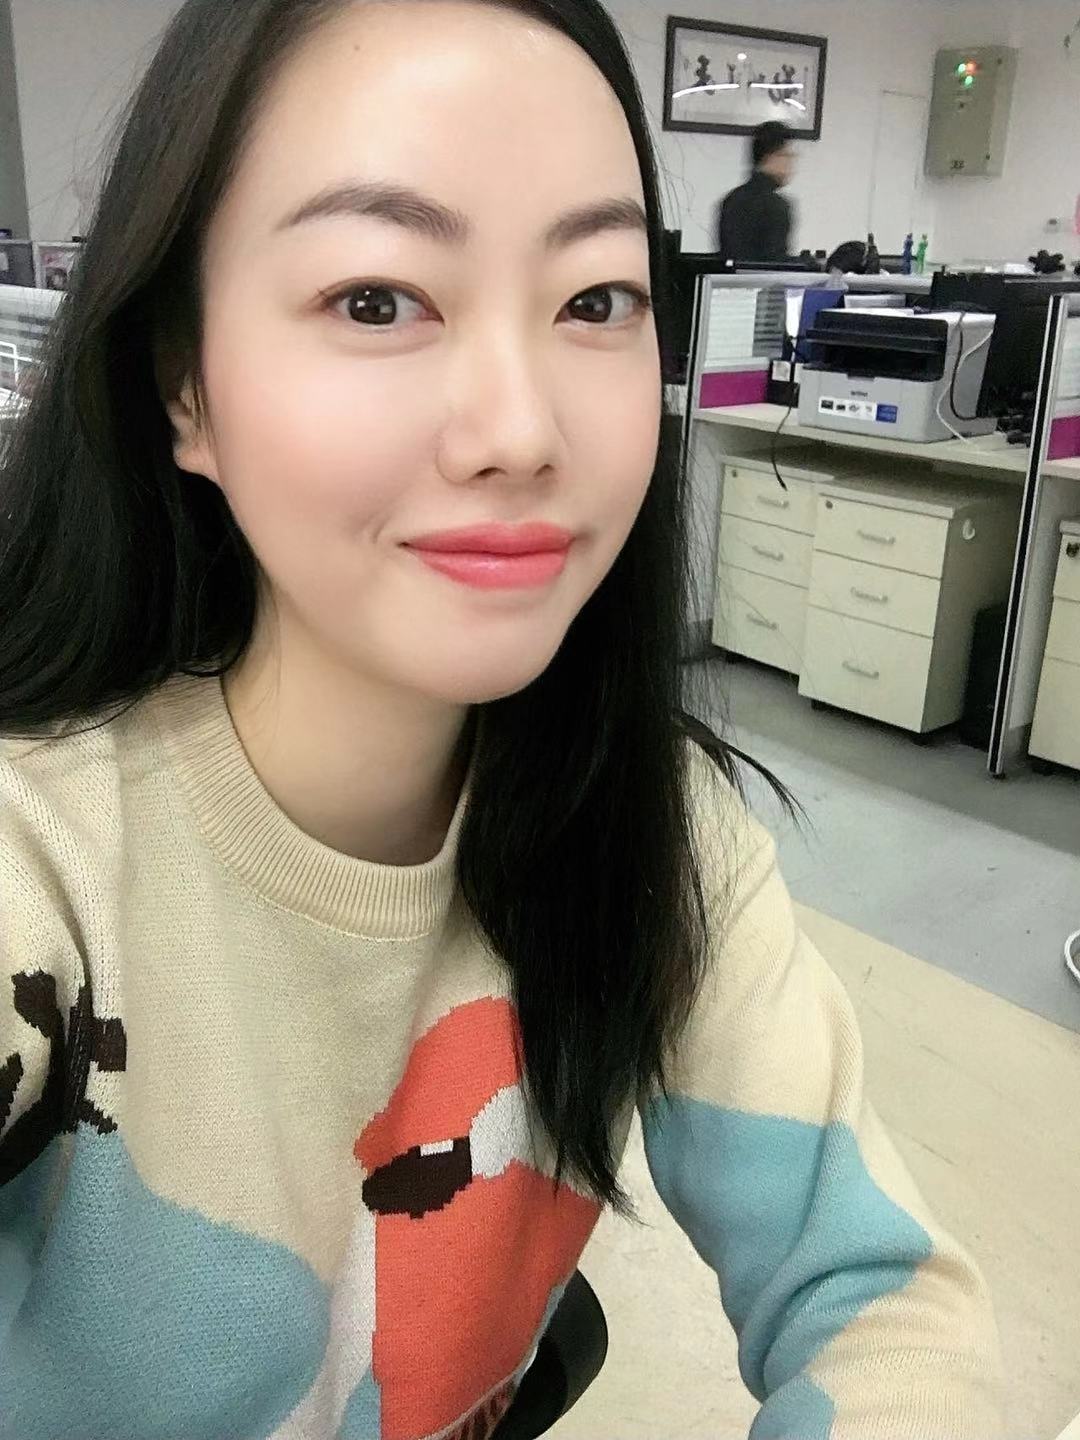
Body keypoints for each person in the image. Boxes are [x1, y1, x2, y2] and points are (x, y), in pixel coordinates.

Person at [0, 2, 1002, 1438]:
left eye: (595, 301)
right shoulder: (43, 856)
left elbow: (887, 1299)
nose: (521, 431)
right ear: (185, 386)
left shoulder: (659, 833)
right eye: (377, 300)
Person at [717, 119, 796, 264]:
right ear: (771, 157)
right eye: (787, 156)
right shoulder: (776, 206)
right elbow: (775, 264)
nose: (791, 163)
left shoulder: (731, 200)